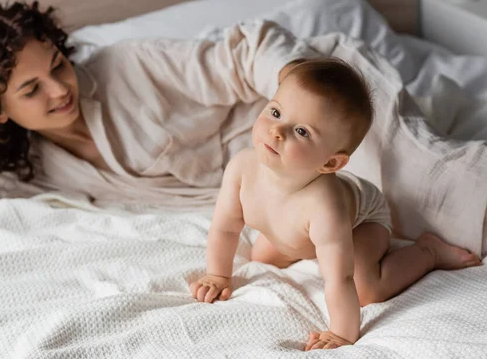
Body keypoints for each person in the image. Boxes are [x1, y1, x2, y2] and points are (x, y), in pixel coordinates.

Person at [0, 0, 312, 215]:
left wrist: (308, 104)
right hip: (274, 199)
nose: (59, 90)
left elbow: (250, 54)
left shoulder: (128, 64)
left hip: (311, 117)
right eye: (32, 89)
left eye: (58, 64)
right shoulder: (30, 172)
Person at [189, 58, 482, 351]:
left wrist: (342, 333)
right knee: (261, 257)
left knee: (365, 288)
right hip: (300, 227)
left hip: (363, 221)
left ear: (331, 163)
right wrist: (217, 275)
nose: (277, 131)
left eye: (302, 131)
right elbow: (225, 228)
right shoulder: (241, 168)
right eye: (276, 112)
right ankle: (300, 241)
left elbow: (338, 277)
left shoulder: (324, 206)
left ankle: (427, 251)